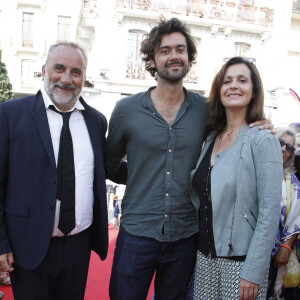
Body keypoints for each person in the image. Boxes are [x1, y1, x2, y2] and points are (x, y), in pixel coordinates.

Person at [105, 18, 272, 300]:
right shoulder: (125, 110)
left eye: (180, 49)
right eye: (165, 50)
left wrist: (263, 123)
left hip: (186, 237)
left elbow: (236, 126)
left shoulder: (207, 111)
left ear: (189, 57)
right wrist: (139, 178)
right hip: (137, 233)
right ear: (152, 58)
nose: (174, 56)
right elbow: (109, 164)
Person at [0, 41, 125, 300]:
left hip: (79, 245)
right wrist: (1, 244)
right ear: (44, 70)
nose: (66, 79)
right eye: (59, 68)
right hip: (28, 244)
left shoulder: (96, 121)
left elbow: (108, 166)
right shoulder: (10, 115)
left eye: (76, 72)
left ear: (83, 77)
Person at [190, 57, 283, 300]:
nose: (234, 86)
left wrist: (253, 272)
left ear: (253, 91)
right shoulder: (211, 138)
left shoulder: (263, 140)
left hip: (242, 265)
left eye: (242, 80)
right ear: (219, 90)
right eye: (227, 81)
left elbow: (270, 212)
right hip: (204, 259)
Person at [266, 127, 300, 300]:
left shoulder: (291, 181)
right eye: (280, 142)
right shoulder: (251, 168)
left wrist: (285, 248)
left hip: (272, 256)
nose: (283, 150)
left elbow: (296, 218)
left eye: (289, 148)